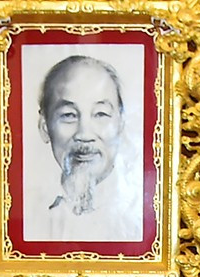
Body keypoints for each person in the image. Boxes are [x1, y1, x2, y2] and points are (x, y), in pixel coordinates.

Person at [25, 53, 143, 243]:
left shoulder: (141, 212)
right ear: (44, 126)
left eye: (101, 114)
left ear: (121, 123)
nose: (84, 134)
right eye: (69, 115)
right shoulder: (24, 213)